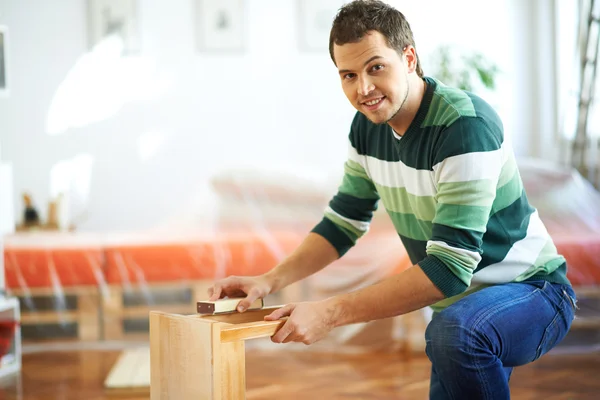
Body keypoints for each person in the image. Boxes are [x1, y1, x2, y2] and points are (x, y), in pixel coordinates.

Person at [207, 1, 577, 398]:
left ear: (409, 58)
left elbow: (449, 271)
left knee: (455, 332)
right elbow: (341, 224)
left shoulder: (465, 126)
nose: (362, 88)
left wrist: (330, 312)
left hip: (533, 292)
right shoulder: (367, 130)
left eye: (375, 67)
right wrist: (269, 281)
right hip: (457, 311)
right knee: (454, 329)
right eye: (348, 75)